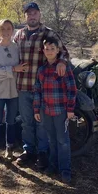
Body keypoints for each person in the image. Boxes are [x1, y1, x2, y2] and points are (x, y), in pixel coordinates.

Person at [13, 2, 69, 169]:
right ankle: (28, 150)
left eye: (35, 13)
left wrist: (62, 63)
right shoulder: (19, 35)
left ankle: (42, 153)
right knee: (26, 122)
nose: (32, 16)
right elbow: (9, 52)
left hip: (43, 88)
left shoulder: (48, 33)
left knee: (42, 123)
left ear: (40, 14)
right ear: (25, 16)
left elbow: (63, 52)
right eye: (29, 13)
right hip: (23, 86)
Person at [33, 36, 77, 183]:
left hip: (61, 111)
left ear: (58, 50)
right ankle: (53, 165)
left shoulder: (63, 68)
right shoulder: (41, 70)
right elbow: (38, 91)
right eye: (47, 49)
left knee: (63, 141)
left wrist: (70, 109)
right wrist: (36, 110)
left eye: (53, 49)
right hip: (46, 111)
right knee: (51, 140)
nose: (50, 51)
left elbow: (72, 90)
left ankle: (65, 169)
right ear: (43, 51)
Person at [0, 19, 27, 164]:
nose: (5, 32)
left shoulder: (17, 48)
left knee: (11, 121)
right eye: (2, 29)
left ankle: (9, 148)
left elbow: (24, 65)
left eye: (8, 29)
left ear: (12, 30)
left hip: (13, 92)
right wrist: (13, 69)